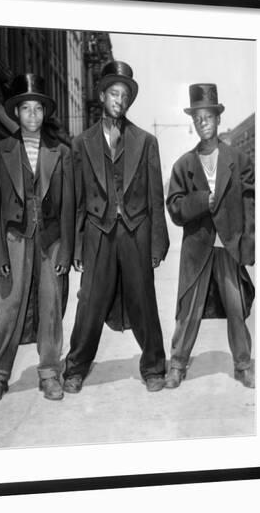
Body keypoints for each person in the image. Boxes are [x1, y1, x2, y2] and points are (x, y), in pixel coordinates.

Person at [63, 61, 169, 393]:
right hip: (98, 231)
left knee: (144, 300)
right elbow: (78, 199)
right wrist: (78, 247)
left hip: (136, 230)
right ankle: (75, 368)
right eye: (114, 93)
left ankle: (153, 366)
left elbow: (155, 196)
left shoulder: (146, 141)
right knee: (90, 301)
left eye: (124, 95)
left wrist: (157, 245)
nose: (119, 99)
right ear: (101, 95)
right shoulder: (81, 143)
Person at [0, 74, 74, 403]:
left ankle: (50, 373)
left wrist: (66, 252)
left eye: (38, 109)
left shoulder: (60, 152)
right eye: (26, 109)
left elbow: (69, 205)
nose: (33, 115)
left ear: (44, 113)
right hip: (14, 239)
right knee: (8, 308)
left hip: (51, 240)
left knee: (51, 307)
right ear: (16, 113)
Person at [165, 83, 255, 389]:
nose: (203, 122)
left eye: (209, 116)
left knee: (236, 307)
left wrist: (249, 240)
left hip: (228, 245)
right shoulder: (184, 164)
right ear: (194, 123)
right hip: (198, 247)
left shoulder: (238, 159)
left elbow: (250, 201)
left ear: (218, 119)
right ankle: (177, 364)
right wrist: (201, 201)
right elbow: (174, 207)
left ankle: (243, 364)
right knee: (188, 309)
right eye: (198, 117)